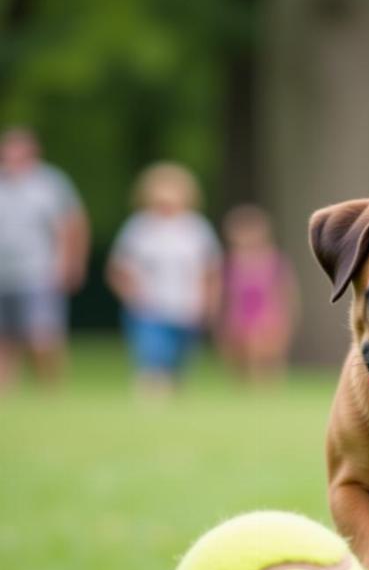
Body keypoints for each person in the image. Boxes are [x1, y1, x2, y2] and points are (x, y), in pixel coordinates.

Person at [106, 162, 222, 395]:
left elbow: (210, 270)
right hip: (150, 307)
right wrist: (132, 295)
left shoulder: (196, 228)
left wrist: (210, 301)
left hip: (187, 307)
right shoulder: (139, 228)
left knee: (178, 363)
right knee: (152, 359)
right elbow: (119, 268)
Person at [0, 127, 89, 390]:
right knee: (5, 338)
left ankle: (50, 390)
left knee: (43, 336)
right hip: (3, 274)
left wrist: (72, 263)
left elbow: (72, 225)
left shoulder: (50, 183)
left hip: (39, 272)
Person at [219, 204, 298, 380]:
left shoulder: (273, 259)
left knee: (266, 353)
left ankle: (266, 385)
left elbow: (285, 289)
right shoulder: (230, 261)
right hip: (239, 314)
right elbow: (225, 292)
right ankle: (246, 387)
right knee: (240, 354)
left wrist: (286, 315)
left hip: (267, 313)